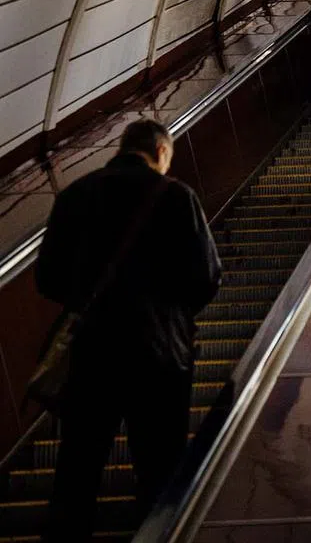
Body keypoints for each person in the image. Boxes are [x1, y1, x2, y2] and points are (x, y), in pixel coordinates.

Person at [36, 119, 221, 541]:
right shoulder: (176, 196)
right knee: (160, 473)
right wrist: (171, 312)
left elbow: (46, 279)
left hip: (91, 356)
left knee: (78, 471)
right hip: (158, 357)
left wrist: (89, 299)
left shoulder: (74, 195)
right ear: (160, 151)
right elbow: (207, 276)